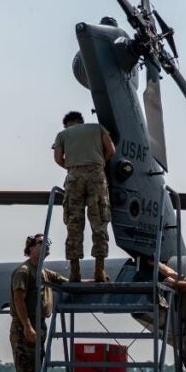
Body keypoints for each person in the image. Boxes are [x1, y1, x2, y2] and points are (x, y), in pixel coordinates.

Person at [8, 234, 67, 372]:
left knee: (31, 369)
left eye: (48, 242)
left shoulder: (44, 273)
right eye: (42, 243)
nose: (46, 245)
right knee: (27, 370)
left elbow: (65, 282)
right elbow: (19, 299)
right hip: (25, 325)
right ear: (31, 248)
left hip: (39, 325)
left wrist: (93, 282)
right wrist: (27, 326)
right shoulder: (24, 271)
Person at [53, 110, 116, 282]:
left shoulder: (62, 134)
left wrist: (73, 166)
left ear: (67, 124)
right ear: (81, 121)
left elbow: (58, 158)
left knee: (74, 223)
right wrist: (100, 162)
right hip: (96, 175)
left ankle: (75, 272)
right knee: (99, 222)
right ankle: (99, 270)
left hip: (73, 177)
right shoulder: (97, 128)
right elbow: (111, 149)